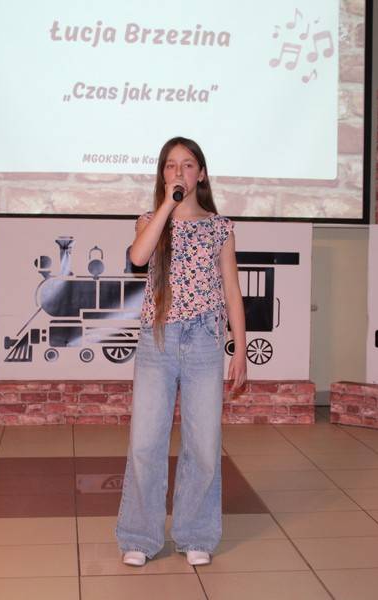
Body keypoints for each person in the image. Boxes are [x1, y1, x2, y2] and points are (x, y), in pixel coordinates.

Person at [116, 136, 247, 568]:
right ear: (162, 174)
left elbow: (232, 290)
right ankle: (140, 536)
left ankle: (196, 533)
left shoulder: (220, 227)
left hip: (204, 340)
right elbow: (138, 257)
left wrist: (240, 348)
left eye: (188, 165)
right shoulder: (150, 220)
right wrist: (166, 209)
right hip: (158, 339)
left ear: (201, 174)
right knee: (145, 442)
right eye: (171, 165)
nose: (179, 172)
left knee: (204, 443)